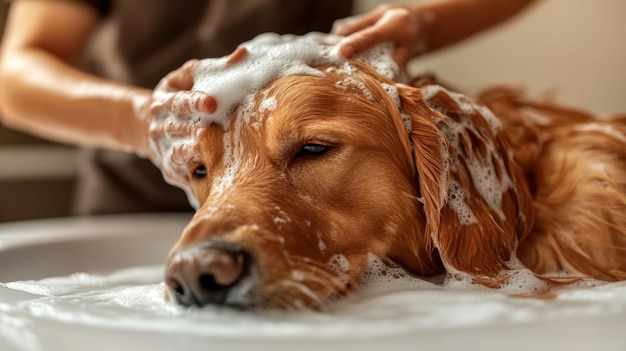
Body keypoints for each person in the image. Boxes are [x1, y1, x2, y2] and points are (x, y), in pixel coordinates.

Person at [0, 0, 536, 215]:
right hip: (129, 200)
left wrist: (425, 23)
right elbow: (15, 75)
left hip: (314, 204)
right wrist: (142, 122)